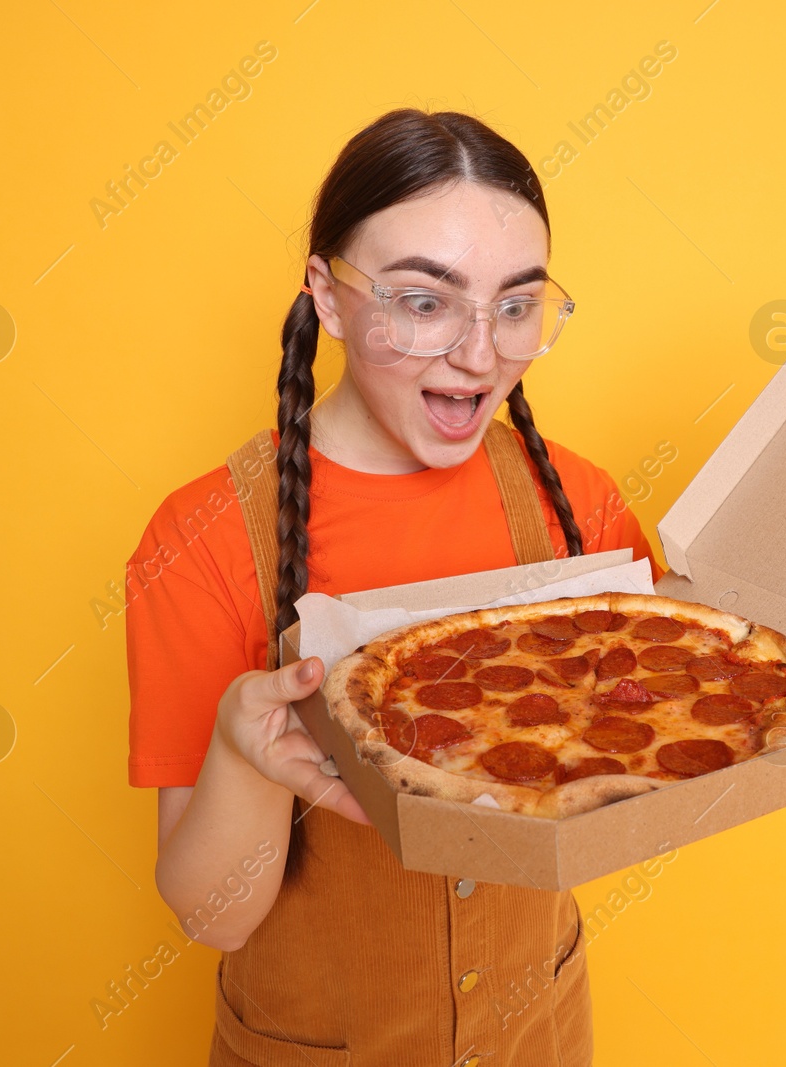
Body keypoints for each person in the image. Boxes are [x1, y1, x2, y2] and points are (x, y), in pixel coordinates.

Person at [123, 107, 663, 1066]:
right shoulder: (200, 541)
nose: (479, 353)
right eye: (425, 301)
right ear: (327, 299)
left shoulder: (577, 503)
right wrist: (244, 756)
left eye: (515, 304)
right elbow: (214, 917)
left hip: (540, 1032)